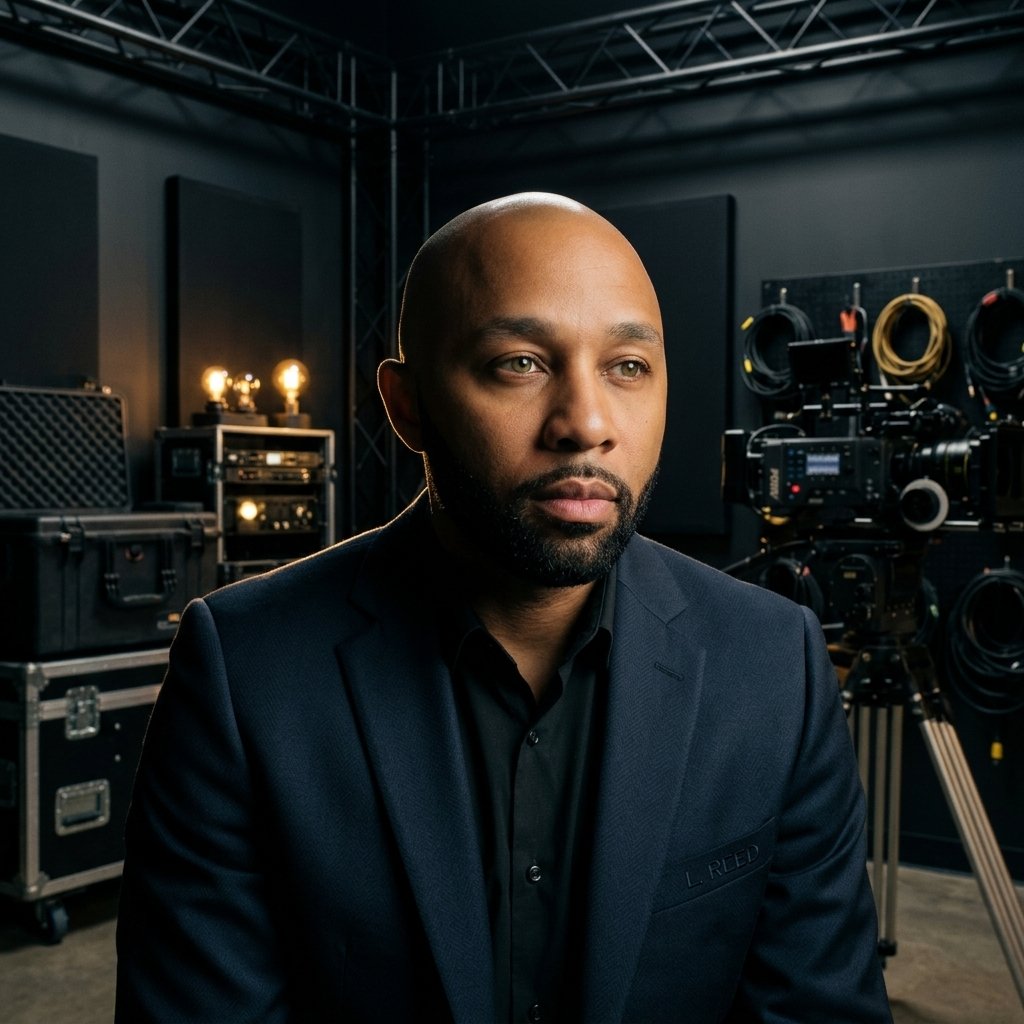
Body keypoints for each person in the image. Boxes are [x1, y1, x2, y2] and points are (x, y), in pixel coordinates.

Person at [115, 192, 892, 1023]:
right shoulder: (245, 673)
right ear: (406, 405)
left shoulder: (773, 663)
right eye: (520, 362)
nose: (586, 424)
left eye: (627, 368)